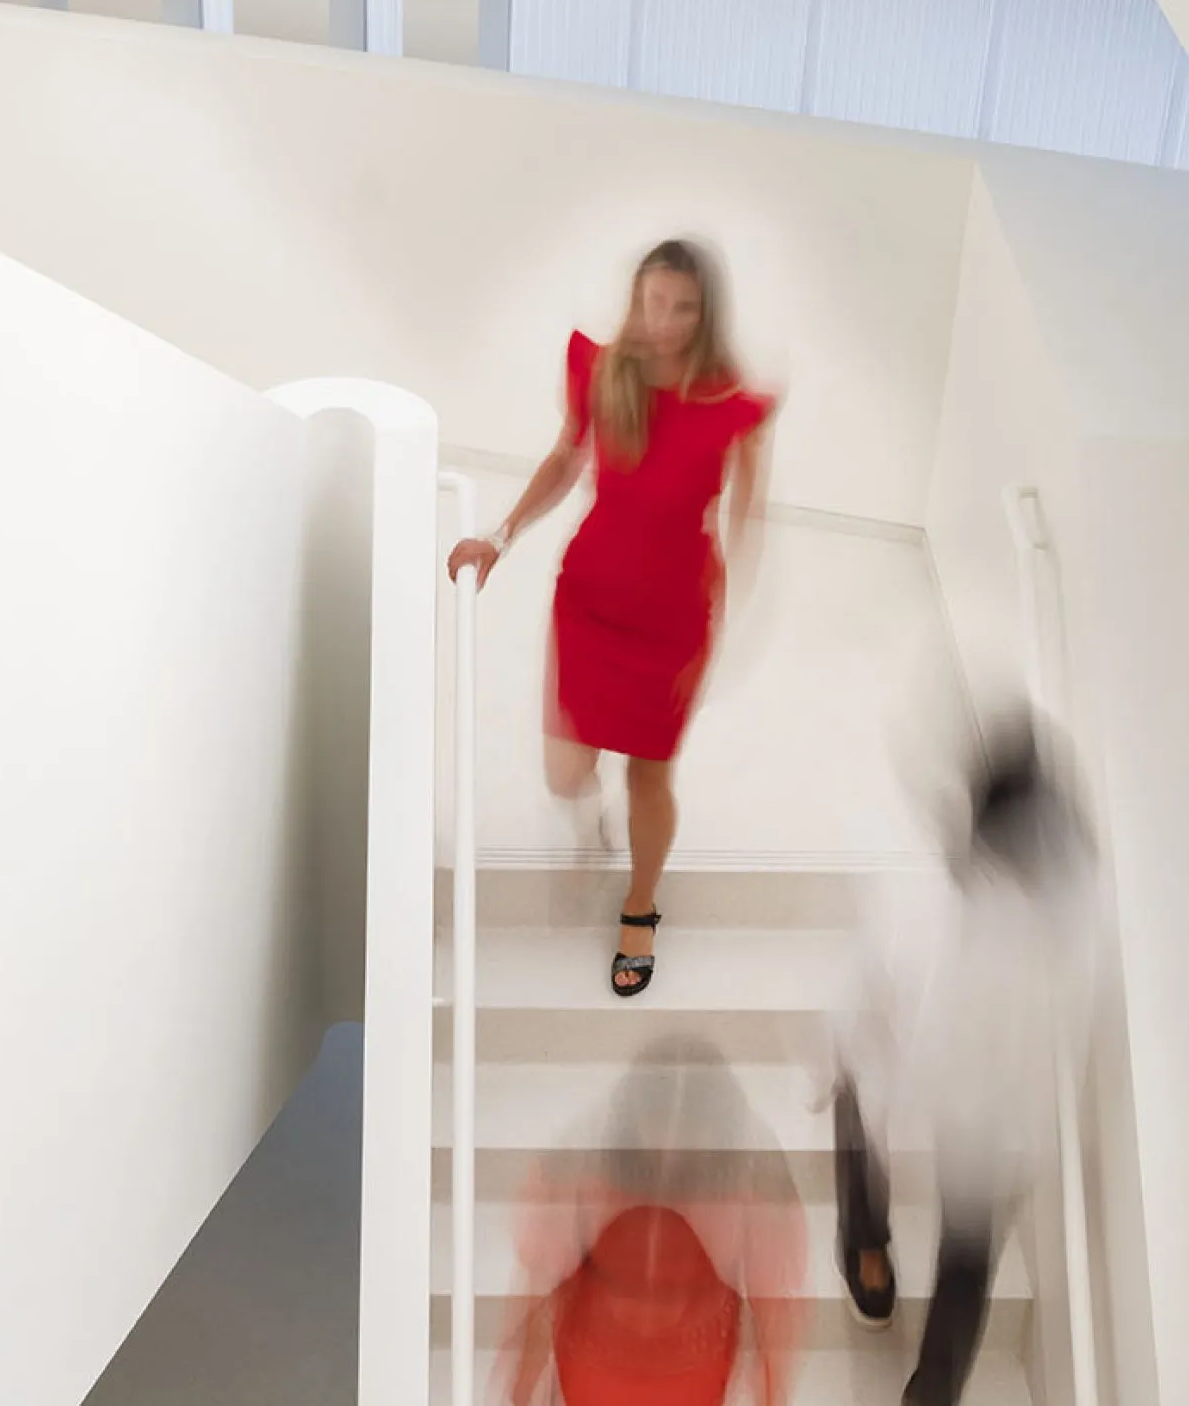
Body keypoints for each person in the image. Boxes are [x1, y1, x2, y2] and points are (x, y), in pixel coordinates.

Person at [447, 240, 777, 997]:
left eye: (683, 307)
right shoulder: (603, 371)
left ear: (706, 314)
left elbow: (746, 523)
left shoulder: (731, 407)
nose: (664, 321)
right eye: (653, 302)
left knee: (649, 780)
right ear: (636, 299)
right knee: (566, 775)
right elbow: (566, 461)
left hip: (674, 617)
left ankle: (640, 905)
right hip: (591, 600)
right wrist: (498, 537)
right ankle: (590, 822)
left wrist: (729, 625)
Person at [823, 706, 1104, 1406]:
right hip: (995, 1125)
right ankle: (934, 1390)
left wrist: (841, 1057)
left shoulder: (922, 908)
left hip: (955, 1097)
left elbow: (864, 1007)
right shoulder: (1077, 919)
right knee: (969, 1260)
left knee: (856, 1099)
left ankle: (867, 1254)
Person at [498, 1037, 808, 1406]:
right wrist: (518, 1389)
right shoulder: (579, 1163)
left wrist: (773, 1392)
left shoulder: (755, 1178)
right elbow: (539, 1291)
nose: (672, 1150)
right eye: (660, 1123)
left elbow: (775, 1315)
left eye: (689, 1130)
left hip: (690, 1373)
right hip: (596, 1368)